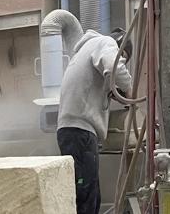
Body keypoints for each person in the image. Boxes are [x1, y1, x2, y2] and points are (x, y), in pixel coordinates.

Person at [57, 28, 133, 214]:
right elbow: (114, 68)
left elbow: (100, 83)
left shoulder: (84, 50)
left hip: (70, 131)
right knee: (86, 197)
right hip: (80, 131)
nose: (120, 59)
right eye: (122, 56)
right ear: (119, 46)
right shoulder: (105, 42)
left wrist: (113, 92)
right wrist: (131, 91)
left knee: (87, 194)